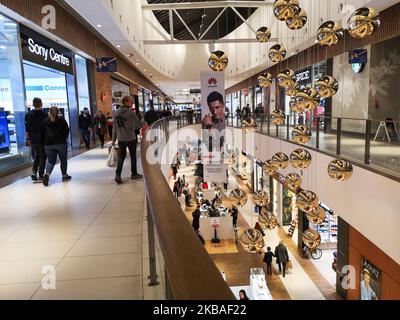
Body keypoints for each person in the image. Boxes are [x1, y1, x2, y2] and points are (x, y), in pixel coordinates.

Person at [112, 96, 143, 184]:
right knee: (133, 156)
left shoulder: (116, 113)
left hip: (121, 138)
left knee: (121, 157)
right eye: (131, 101)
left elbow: (114, 128)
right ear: (126, 102)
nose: (132, 103)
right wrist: (143, 121)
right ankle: (134, 173)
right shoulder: (131, 113)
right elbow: (138, 125)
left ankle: (118, 175)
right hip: (131, 138)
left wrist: (113, 140)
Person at [41, 106, 71, 187]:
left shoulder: (45, 121)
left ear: (49, 112)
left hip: (48, 144)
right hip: (61, 143)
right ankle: (64, 175)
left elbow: (42, 132)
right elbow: (67, 131)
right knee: (63, 160)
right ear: (58, 112)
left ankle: (47, 174)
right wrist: (63, 137)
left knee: (50, 161)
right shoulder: (62, 120)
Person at [25, 97, 48, 181]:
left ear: (33, 104)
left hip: (33, 139)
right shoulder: (45, 114)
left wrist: (27, 139)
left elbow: (27, 129)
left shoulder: (28, 115)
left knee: (37, 156)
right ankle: (41, 174)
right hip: (43, 139)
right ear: (41, 103)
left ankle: (34, 171)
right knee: (43, 157)